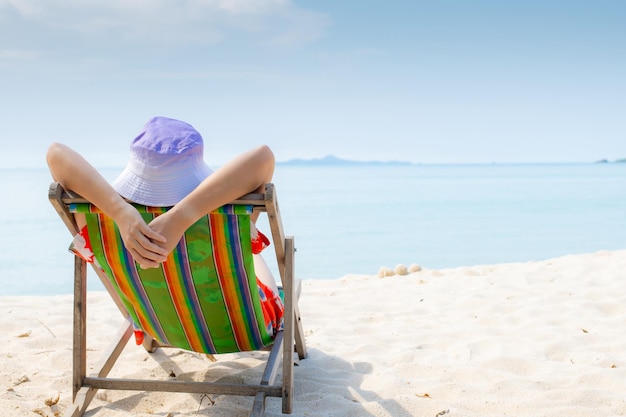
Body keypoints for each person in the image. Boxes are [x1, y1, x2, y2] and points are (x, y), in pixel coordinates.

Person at [47, 116, 283, 338]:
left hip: (156, 326)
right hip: (243, 330)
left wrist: (121, 212)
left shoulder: (100, 224)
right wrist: (181, 217)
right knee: (246, 249)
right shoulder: (226, 220)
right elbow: (263, 157)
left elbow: (55, 153)